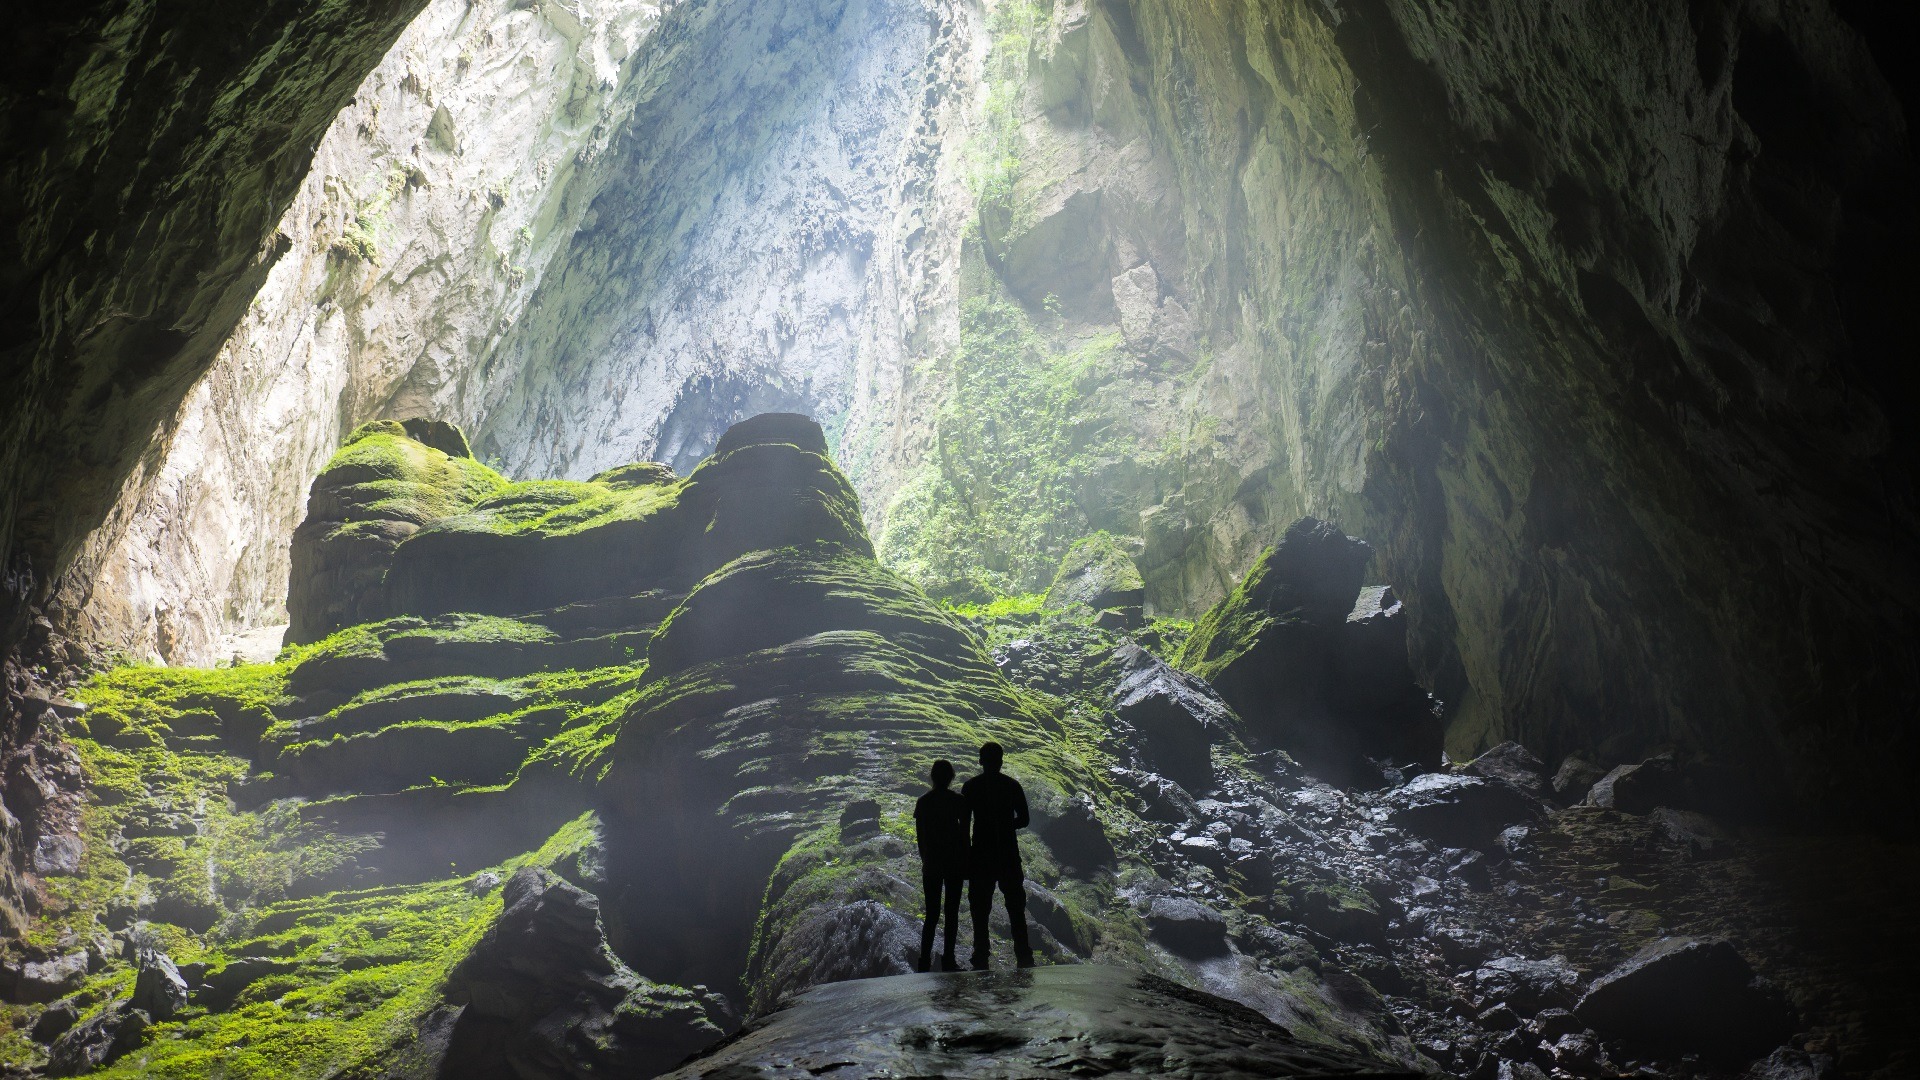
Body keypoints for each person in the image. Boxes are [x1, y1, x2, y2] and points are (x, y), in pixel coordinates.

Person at [961, 740, 1033, 969]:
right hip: (1008, 853)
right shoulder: (1012, 786)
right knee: (1015, 905)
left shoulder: (971, 787)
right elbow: (1024, 819)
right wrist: (1005, 826)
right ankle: (1023, 953)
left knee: (979, 907)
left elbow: (964, 825)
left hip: (981, 854)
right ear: (1001, 761)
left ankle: (981, 953)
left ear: (981, 761)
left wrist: (966, 856)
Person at [913, 759, 968, 972]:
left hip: (933, 862)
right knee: (951, 913)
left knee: (932, 914)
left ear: (932, 777)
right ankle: (949, 960)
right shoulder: (958, 801)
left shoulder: (924, 801)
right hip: (954, 862)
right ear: (951, 777)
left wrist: (925, 859)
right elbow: (964, 835)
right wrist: (966, 860)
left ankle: (924, 962)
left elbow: (921, 836)